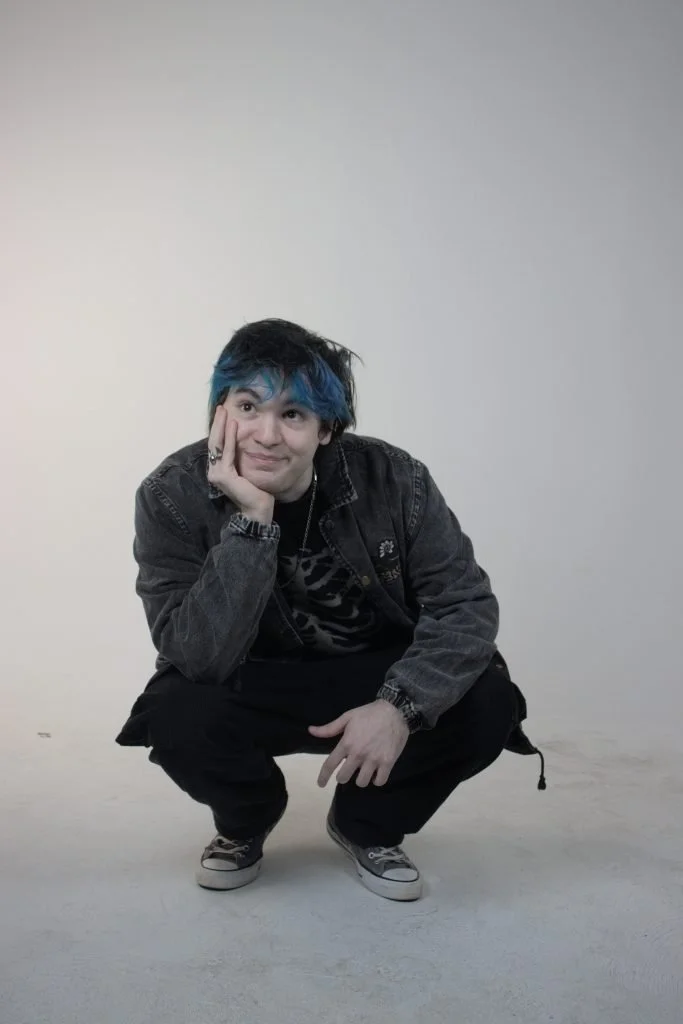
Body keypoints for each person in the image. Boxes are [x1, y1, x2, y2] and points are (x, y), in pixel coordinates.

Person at [116, 318, 545, 902]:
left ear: (326, 429)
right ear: (219, 412)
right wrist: (251, 522)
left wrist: (399, 706)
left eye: (293, 414)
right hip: (252, 680)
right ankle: (247, 819)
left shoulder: (395, 479)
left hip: (372, 679)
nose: (265, 435)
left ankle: (366, 824)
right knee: (173, 713)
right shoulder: (170, 495)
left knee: (487, 699)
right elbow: (195, 656)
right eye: (248, 407)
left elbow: (464, 605)